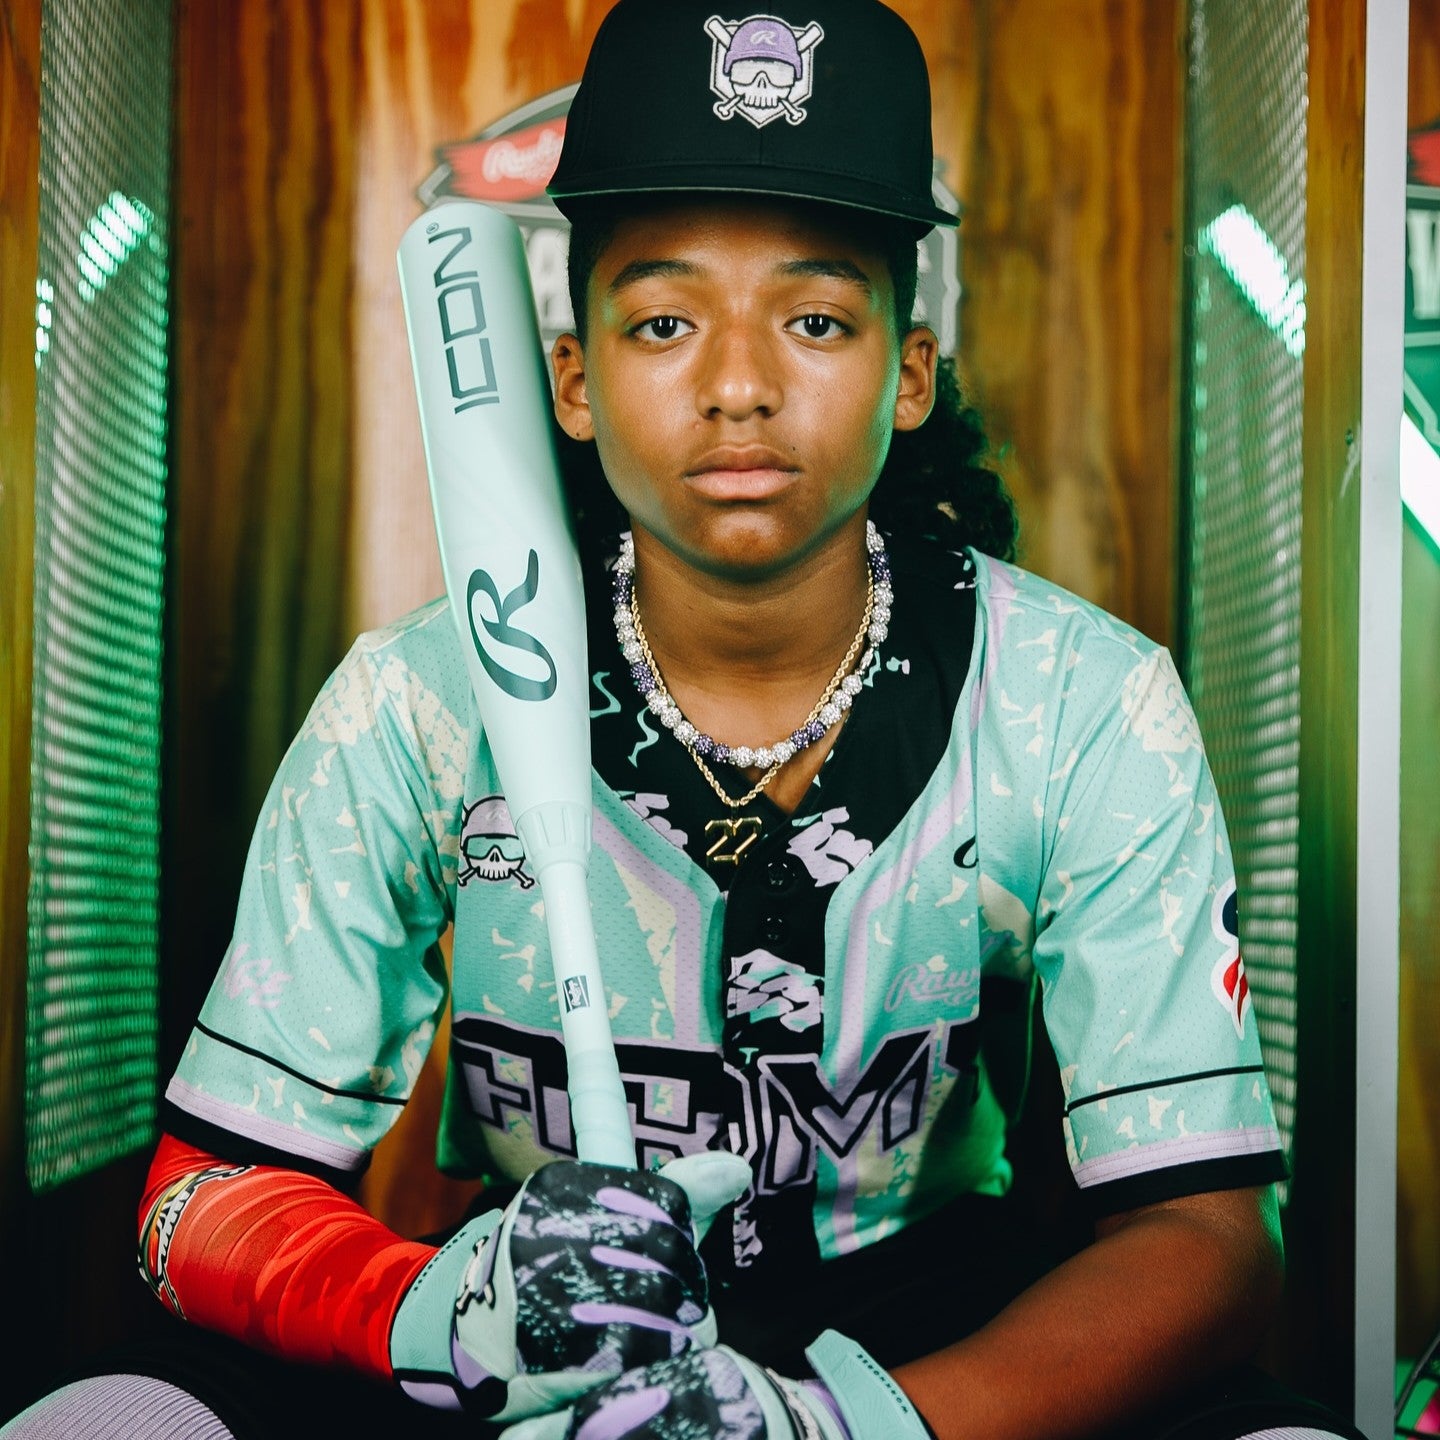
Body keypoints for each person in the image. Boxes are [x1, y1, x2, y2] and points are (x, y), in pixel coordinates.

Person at [1, 3, 1372, 1438]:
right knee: (109, 1420)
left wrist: (845, 1429)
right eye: (664, 321)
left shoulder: (1081, 699)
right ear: (575, 381)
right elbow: (203, 1198)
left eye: (816, 319)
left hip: (931, 1346)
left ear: (909, 371)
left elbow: (1213, 1239)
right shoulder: (418, 700)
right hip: (538, 1310)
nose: (738, 387)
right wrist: (444, 1312)